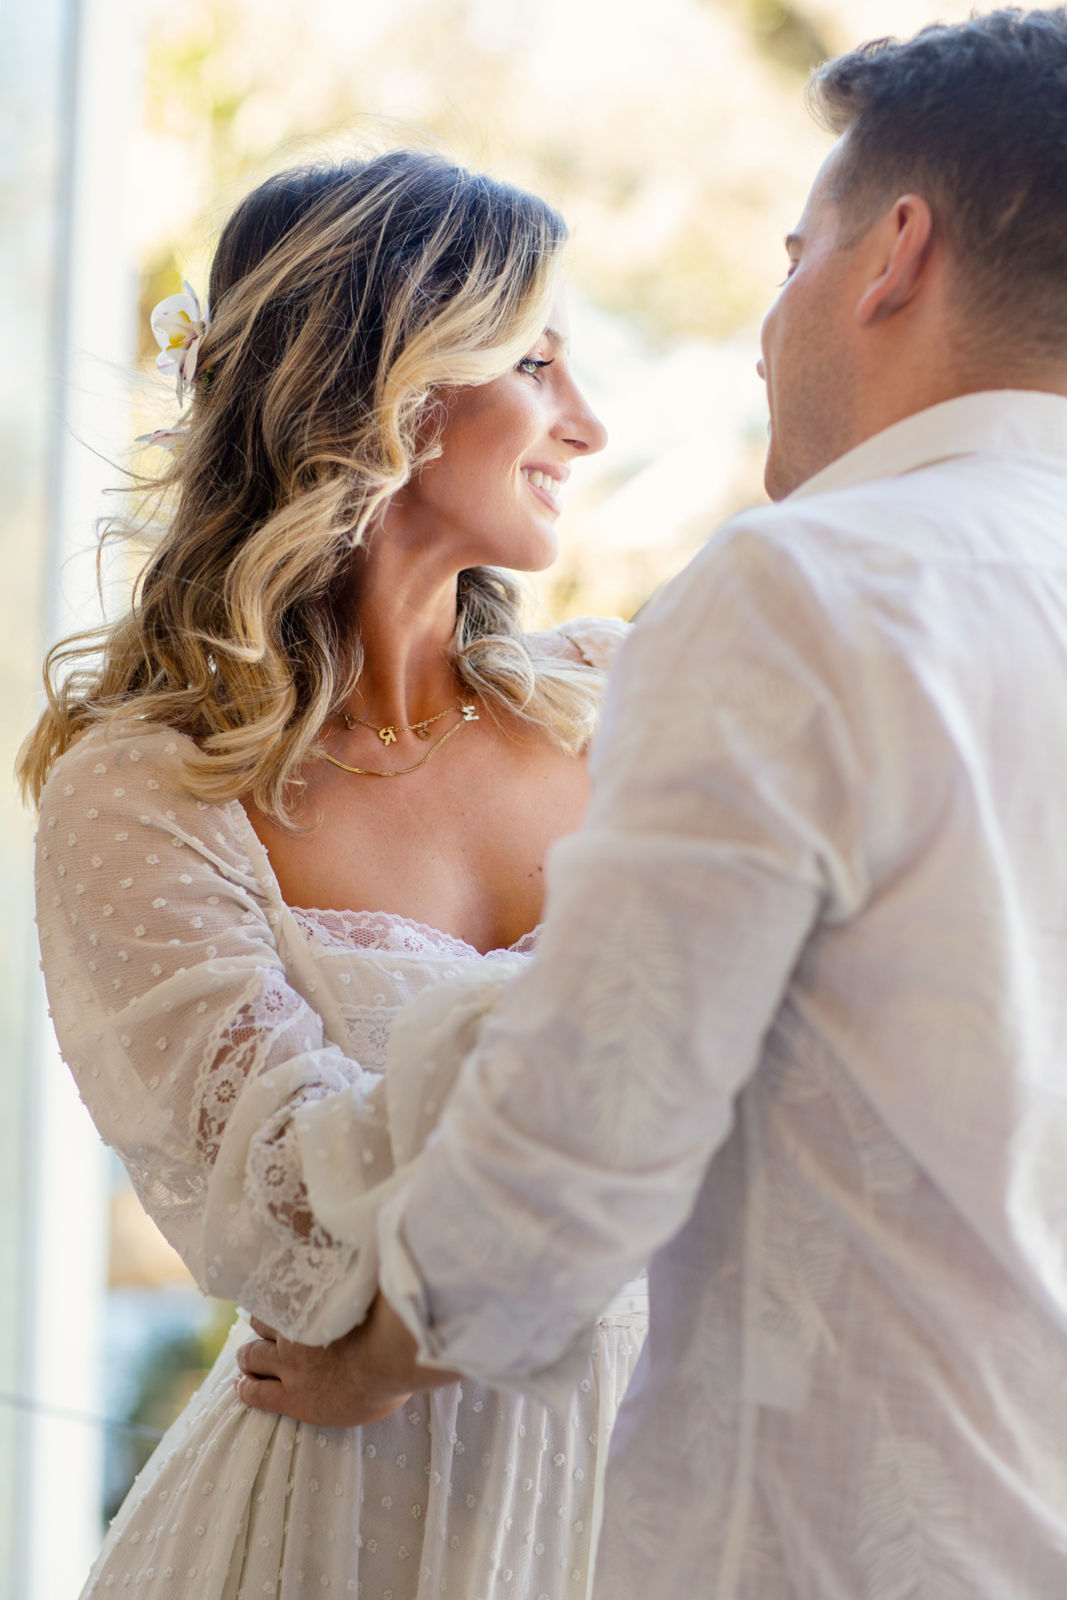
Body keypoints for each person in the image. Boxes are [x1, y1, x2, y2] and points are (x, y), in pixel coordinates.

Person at [235, 10, 1067, 1597]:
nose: (765, 328)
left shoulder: (808, 592)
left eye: (792, 253)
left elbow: (584, 1138)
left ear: (896, 254)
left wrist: (383, 1355)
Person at [20, 150, 648, 1599]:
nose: (590, 424)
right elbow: (306, 1235)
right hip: (354, 1520)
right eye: (539, 361)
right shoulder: (148, 790)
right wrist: (639, 1009)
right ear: (393, 384)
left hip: (673, 1487)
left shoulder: (634, 700)